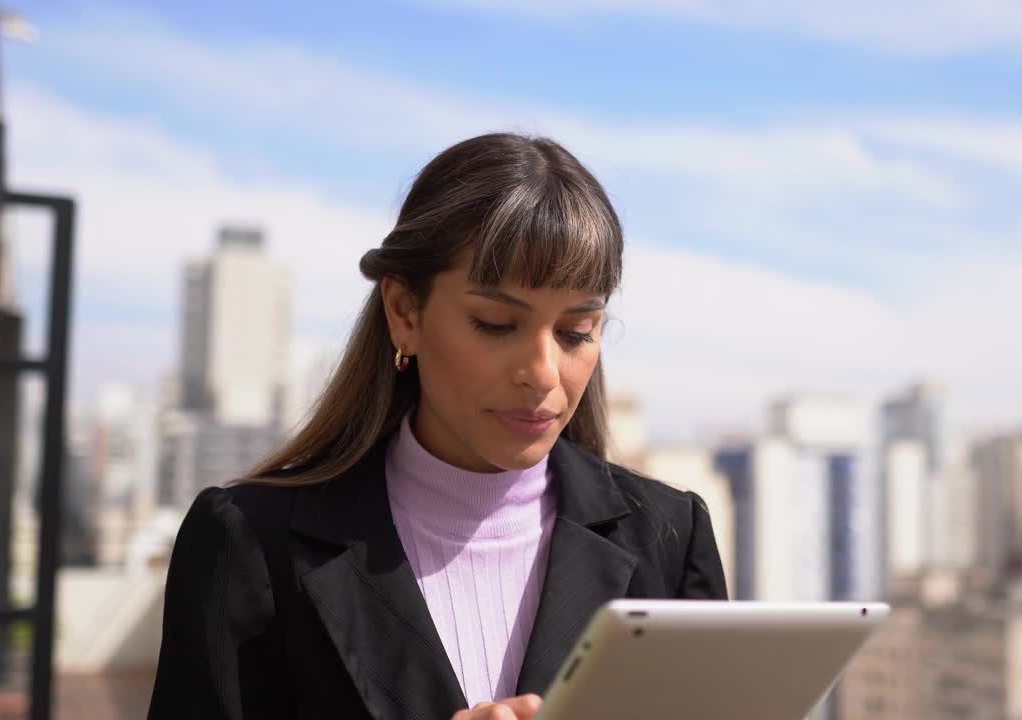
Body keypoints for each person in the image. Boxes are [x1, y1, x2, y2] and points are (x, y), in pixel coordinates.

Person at [147, 132, 728, 720]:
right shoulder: (249, 542)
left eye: (577, 332)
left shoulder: (670, 538)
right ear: (404, 312)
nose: (543, 373)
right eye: (496, 323)